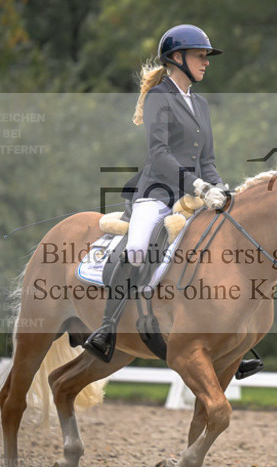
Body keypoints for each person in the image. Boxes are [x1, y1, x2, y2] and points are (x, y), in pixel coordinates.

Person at [84, 24, 228, 362]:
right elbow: (159, 154)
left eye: (206, 57)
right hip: (156, 193)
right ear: (177, 58)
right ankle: (107, 328)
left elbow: (207, 160)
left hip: (193, 198)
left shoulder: (201, 104)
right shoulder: (158, 98)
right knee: (137, 249)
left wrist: (220, 188)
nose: (206, 62)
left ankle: (233, 339)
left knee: (220, 249)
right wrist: (198, 186)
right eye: (200, 56)